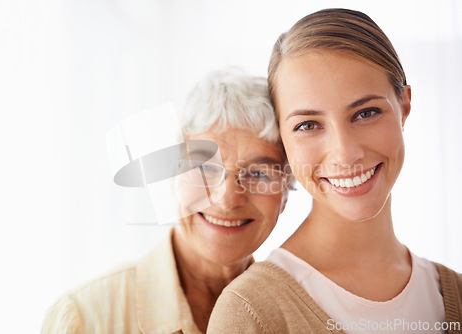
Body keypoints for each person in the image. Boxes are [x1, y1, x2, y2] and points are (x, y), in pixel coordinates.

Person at [208, 9, 462, 333]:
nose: (345, 154)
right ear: (282, 140)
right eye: (308, 125)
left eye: (366, 112)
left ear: (404, 107)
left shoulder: (454, 293)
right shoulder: (251, 313)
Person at [41, 68, 291, 333]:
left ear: (286, 192)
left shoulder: (294, 319)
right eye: (205, 167)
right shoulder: (84, 317)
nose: (228, 198)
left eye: (258, 173)